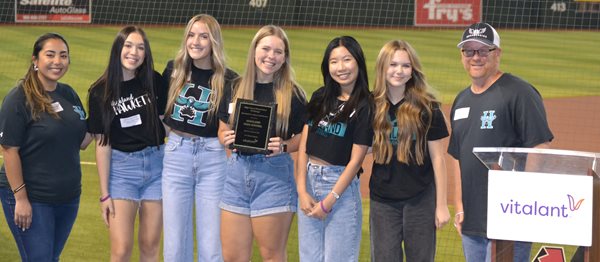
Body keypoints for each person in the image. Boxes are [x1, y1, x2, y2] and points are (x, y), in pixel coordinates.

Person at [448, 22, 554, 262]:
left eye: (484, 50)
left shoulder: (519, 92)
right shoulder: (461, 100)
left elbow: (540, 147)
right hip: (472, 220)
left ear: (498, 54)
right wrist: (459, 205)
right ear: (462, 56)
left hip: (509, 216)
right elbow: (456, 155)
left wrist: (523, 204)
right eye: (469, 51)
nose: (476, 57)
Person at [217, 25, 307, 262]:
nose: (271, 56)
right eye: (265, 48)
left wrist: (284, 146)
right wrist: (224, 137)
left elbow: (303, 138)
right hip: (236, 175)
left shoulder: (293, 94)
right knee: (233, 257)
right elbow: (223, 126)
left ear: (285, 57)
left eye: (278, 51)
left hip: (274, 177)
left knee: (272, 256)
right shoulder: (235, 86)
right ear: (254, 49)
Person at [0, 33, 92, 261]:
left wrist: (106, 116)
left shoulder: (68, 93)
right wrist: (20, 198)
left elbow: (82, 141)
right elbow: (9, 150)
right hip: (32, 197)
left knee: (51, 258)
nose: (57, 61)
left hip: (68, 196)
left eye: (63, 56)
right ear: (35, 60)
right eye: (50, 55)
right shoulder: (18, 98)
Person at [161, 14, 238, 262]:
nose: (196, 41)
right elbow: (161, 115)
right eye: (192, 35)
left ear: (214, 41)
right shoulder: (173, 69)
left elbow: (230, 127)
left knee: (211, 243)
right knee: (174, 244)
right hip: (176, 154)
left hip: (213, 158)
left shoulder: (229, 79)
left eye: (204, 36)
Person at [87, 25, 167, 262]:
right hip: (122, 171)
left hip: (156, 167)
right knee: (121, 250)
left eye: (140, 47)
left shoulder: (154, 80)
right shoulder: (100, 91)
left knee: (150, 246)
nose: (134, 52)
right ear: (118, 49)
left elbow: (165, 123)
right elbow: (102, 144)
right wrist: (104, 194)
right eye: (128, 45)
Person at [369, 39, 450, 261]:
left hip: (420, 197)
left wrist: (441, 205)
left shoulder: (427, 106)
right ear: (382, 67)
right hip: (383, 199)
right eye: (393, 65)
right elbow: (363, 146)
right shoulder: (371, 104)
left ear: (413, 69)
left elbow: (438, 158)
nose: (399, 71)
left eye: (405, 65)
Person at [296, 36, 373, 262]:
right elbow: (303, 147)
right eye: (334, 61)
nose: (341, 67)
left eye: (347, 60)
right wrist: (301, 190)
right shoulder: (320, 96)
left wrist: (329, 201)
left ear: (358, 62)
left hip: (340, 188)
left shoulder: (365, 105)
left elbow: (356, 161)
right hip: (309, 183)